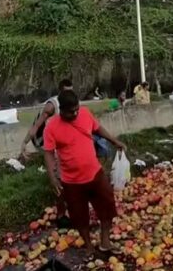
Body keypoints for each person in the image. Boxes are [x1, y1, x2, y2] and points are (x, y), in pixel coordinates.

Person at [43, 90, 126, 258]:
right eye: (70, 112)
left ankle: (105, 242)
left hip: (95, 173)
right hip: (72, 181)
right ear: (61, 110)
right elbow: (49, 153)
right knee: (79, 216)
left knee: (107, 205)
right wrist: (52, 178)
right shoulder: (51, 126)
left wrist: (114, 140)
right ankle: (88, 246)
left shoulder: (85, 114)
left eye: (76, 110)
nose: (74, 113)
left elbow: (98, 128)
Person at [21, 79, 74, 158]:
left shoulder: (71, 102)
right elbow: (36, 125)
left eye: (71, 92)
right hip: (42, 139)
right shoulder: (51, 106)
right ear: (60, 92)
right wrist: (24, 143)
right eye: (67, 93)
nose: (69, 95)